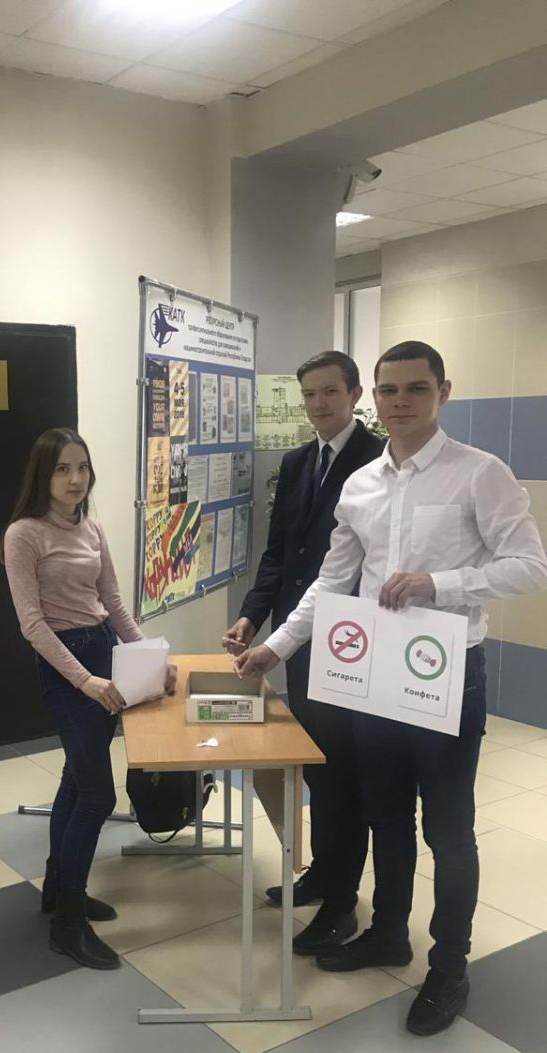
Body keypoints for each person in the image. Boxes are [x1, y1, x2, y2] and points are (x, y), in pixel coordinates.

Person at [237, 341, 547, 1036]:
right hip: (376, 678)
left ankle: (450, 968)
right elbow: (330, 583)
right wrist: (275, 647)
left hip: (447, 677)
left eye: (415, 389)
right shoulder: (361, 486)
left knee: (448, 829)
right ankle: (387, 933)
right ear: (373, 397)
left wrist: (441, 584)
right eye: (389, 390)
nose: (400, 401)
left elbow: (531, 565)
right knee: (385, 816)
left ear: (443, 392)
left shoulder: (480, 474)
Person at [224, 351, 383, 957]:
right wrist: (251, 617)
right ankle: (322, 871)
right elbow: (279, 554)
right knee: (315, 766)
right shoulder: (296, 463)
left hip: (349, 642)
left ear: (354, 394)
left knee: (344, 773)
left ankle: (342, 903)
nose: (318, 404)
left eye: (329, 393)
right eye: (309, 394)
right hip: (296, 635)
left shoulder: (377, 461)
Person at [1, 428, 176, 971]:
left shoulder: (92, 527)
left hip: (102, 649)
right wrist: (86, 682)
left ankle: (59, 888)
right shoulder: (23, 534)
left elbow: (113, 603)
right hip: (67, 666)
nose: (75, 479)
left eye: (82, 468)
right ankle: (68, 924)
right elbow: (33, 625)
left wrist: (149, 656)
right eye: (62, 469)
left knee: (76, 781)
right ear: (43, 475)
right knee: (98, 796)